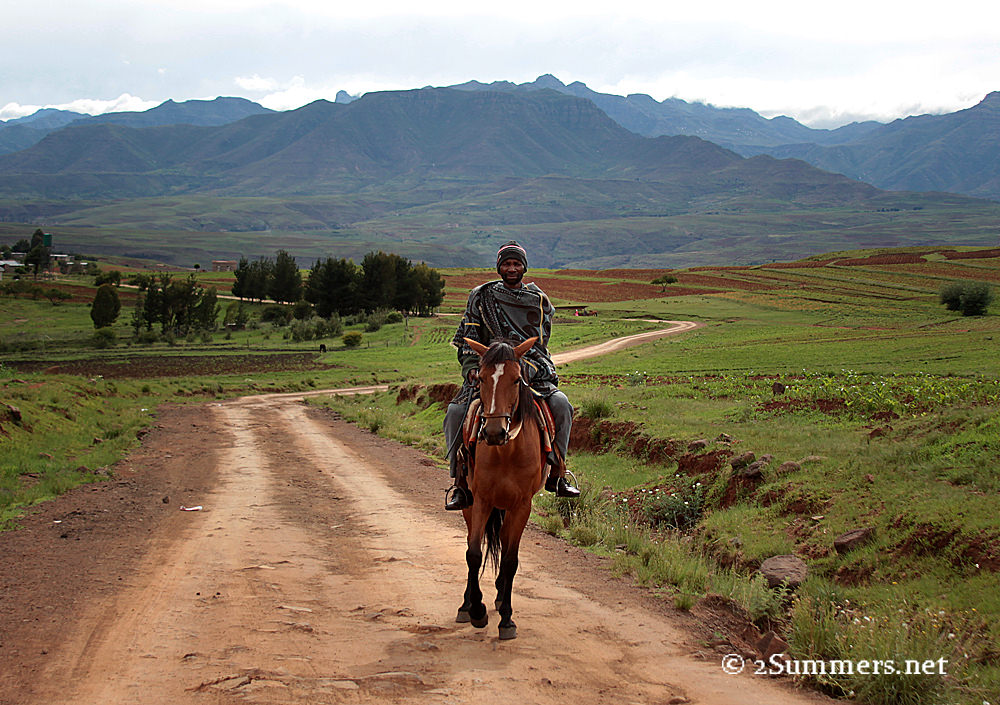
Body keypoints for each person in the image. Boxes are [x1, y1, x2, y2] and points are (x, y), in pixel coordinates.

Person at [443, 241, 580, 510]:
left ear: (524, 267)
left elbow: (540, 341)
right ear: (499, 267)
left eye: (516, 264)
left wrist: (523, 364)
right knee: (455, 414)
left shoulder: (539, 300)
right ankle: (459, 482)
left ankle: (558, 473)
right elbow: (469, 339)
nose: (512, 268)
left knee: (562, 406)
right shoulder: (480, 296)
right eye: (507, 264)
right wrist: (472, 368)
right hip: (491, 370)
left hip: (530, 367)